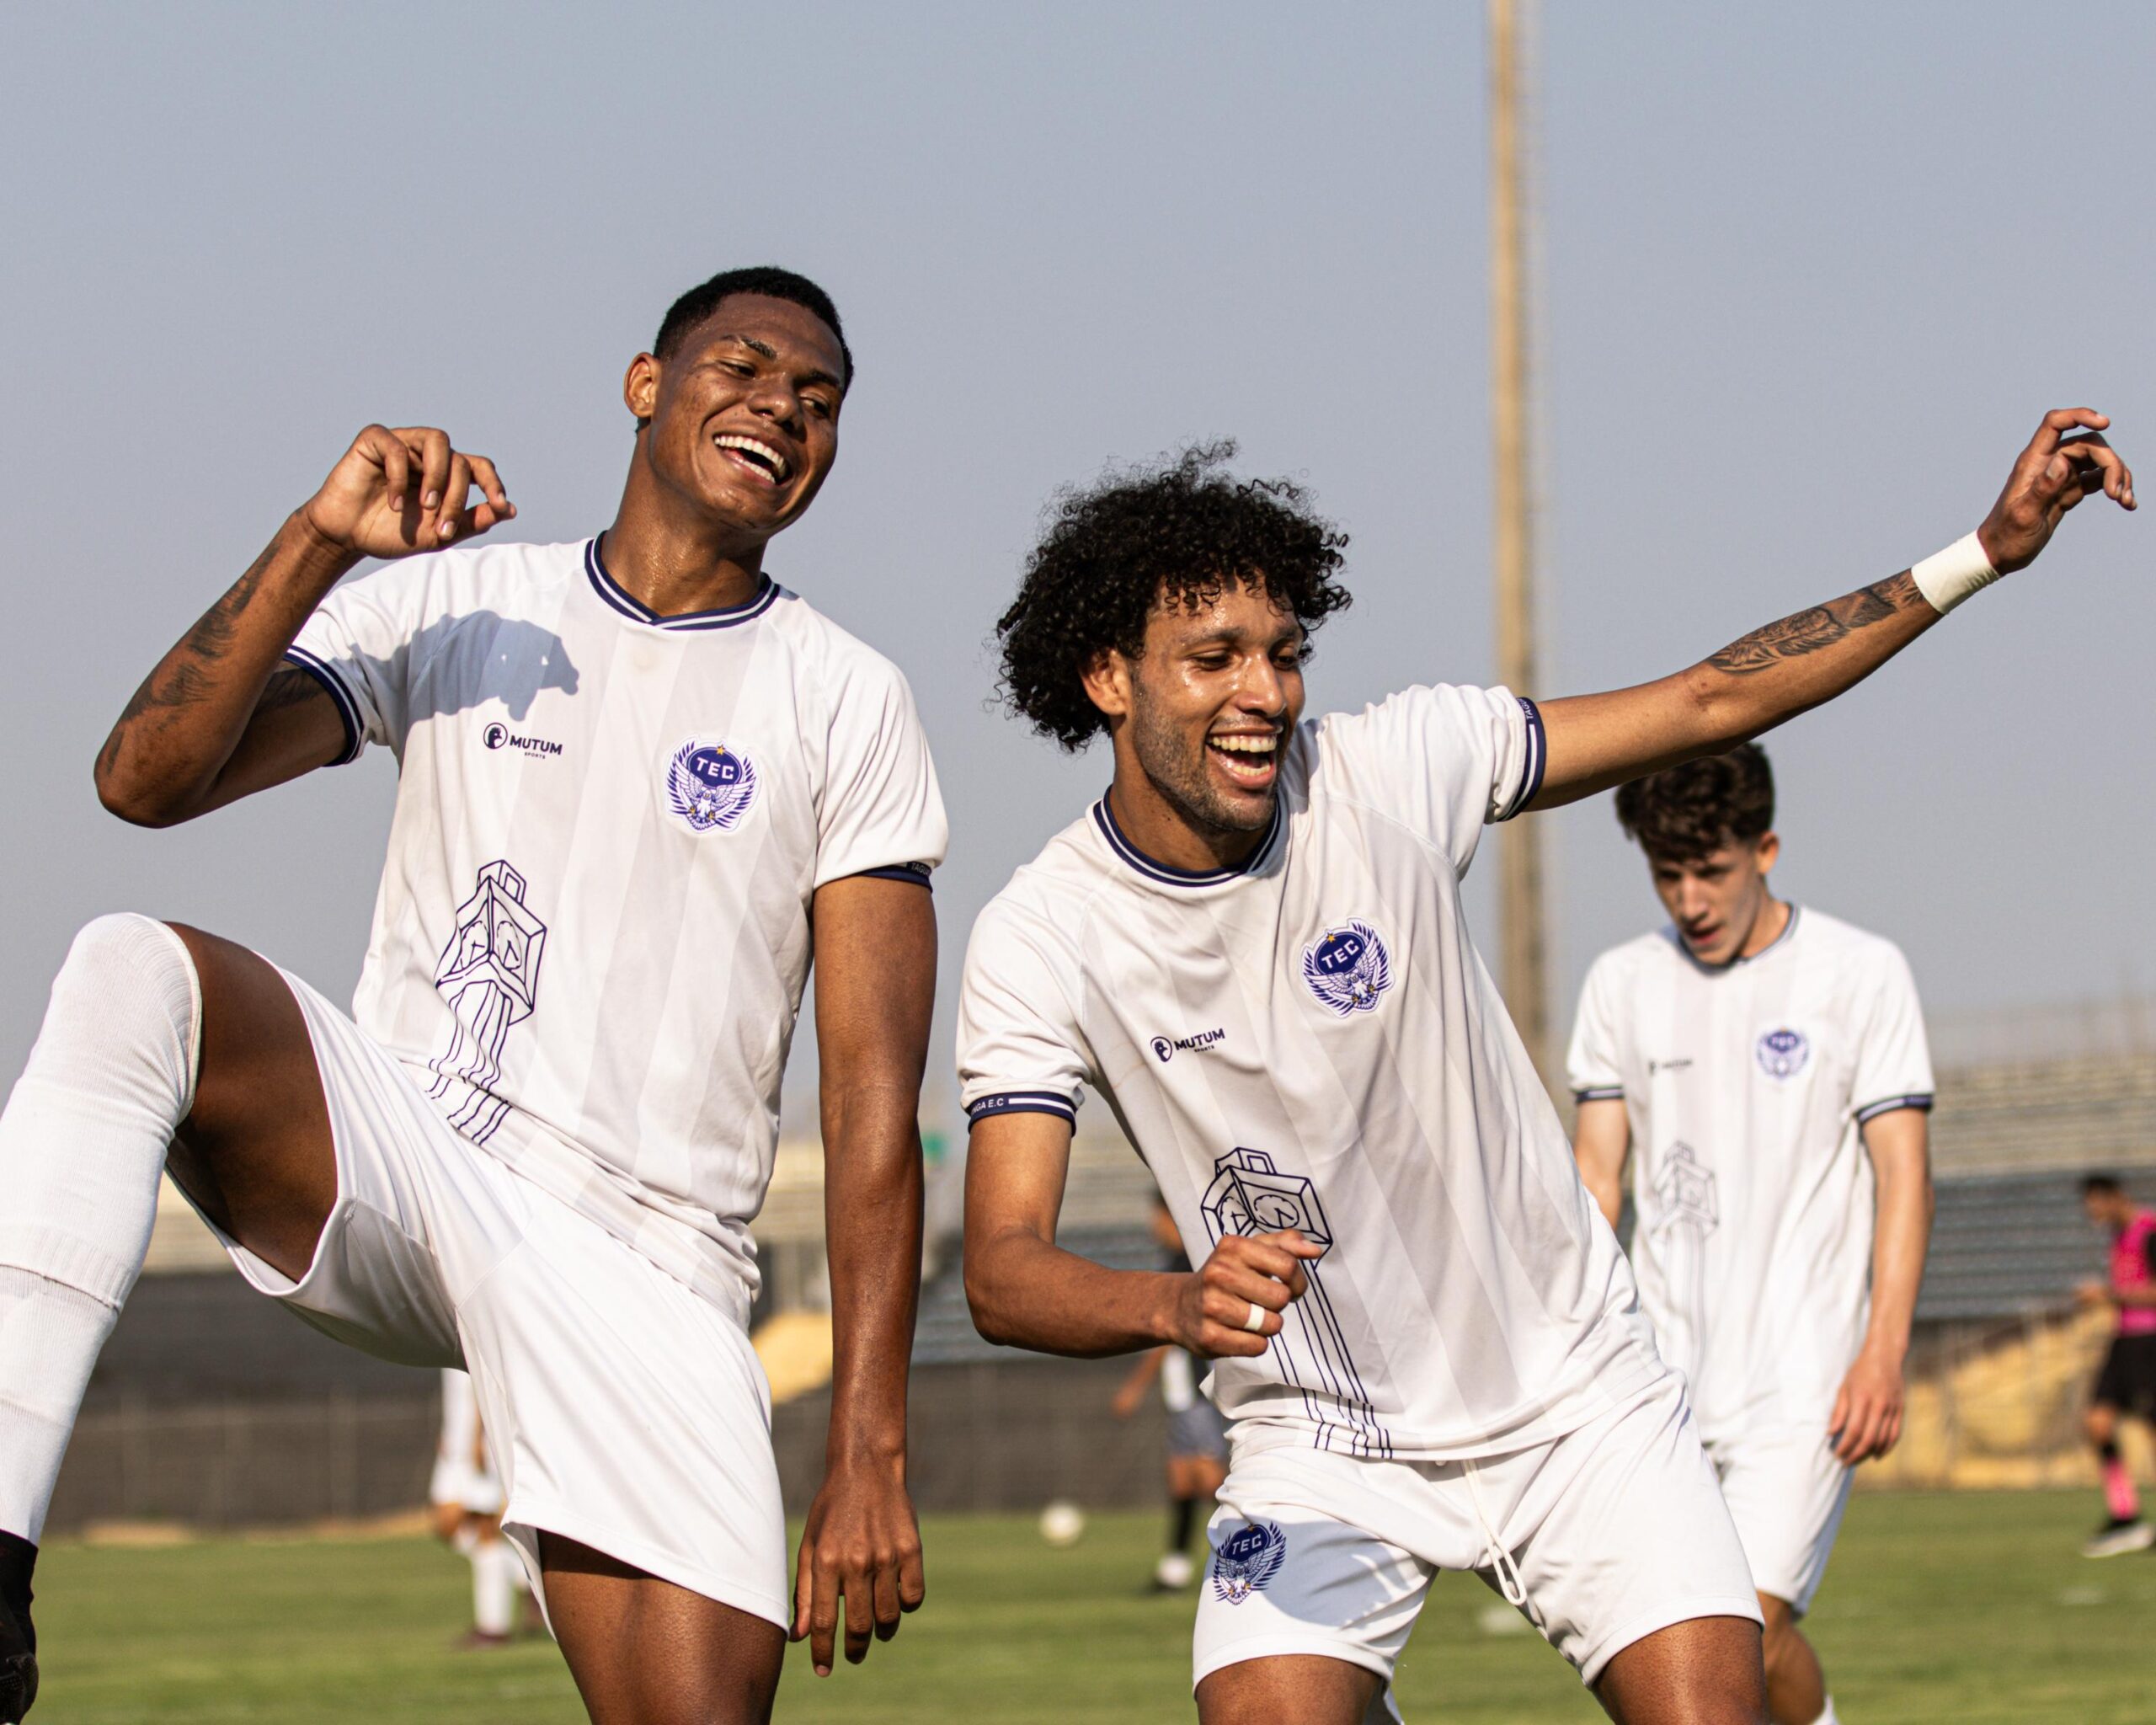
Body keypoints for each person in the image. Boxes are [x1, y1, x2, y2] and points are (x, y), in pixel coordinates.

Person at [957, 414, 2132, 1725]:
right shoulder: (1041, 934)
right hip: (1319, 1441)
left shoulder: (1396, 767)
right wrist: (1172, 1307)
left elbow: (1710, 699)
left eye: (1284, 654)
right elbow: (1004, 1268)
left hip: (1578, 1398)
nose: (1266, 693)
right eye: (1213, 658)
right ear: (1107, 677)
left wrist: (1980, 554)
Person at [0, 266, 945, 1724]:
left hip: (653, 1265)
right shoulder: (461, 598)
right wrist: (319, 541)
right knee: (133, 964)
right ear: (646, 383)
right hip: (416, 1163)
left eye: (819, 402)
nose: (781, 409)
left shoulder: (846, 696)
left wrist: (870, 1444)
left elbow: (873, 1094)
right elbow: (146, 780)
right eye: (745, 369)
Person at [1567, 741, 1933, 1725]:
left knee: (1746, 1626)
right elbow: (1596, 1180)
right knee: (1685, 1648)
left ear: (1764, 847)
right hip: (1660, 1378)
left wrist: (1883, 1351)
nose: (1689, 898)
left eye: (1711, 870)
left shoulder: (1860, 973)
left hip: (1804, 1378)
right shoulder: (1619, 983)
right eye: (1667, 873)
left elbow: (1903, 1173)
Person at [1112, 1198, 1231, 1590]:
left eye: (1157, 1218)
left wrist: (1134, 1386)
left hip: (1195, 1389)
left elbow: (1166, 1337)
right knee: (1181, 1478)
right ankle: (1176, 1568)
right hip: (1179, 1392)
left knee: (1211, 1477)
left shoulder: (1185, 1262)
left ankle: (1249, 1554)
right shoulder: (1172, 1259)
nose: (1154, 1226)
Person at [2074, 1173, 2156, 1557]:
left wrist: (2107, 1294)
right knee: (2097, 1422)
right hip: (2123, 1340)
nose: (2093, 1212)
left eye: (2095, 1203)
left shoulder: (2149, 1231)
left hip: (2149, 1340)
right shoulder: (2117, 1237)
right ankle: (2125, 1515)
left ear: (2115, 1197)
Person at [429, 1368, 533, 1647]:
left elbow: (483, 1384)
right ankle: (527, 1582)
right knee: (449, 1528)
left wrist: (477, 1437)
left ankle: (493, 1627)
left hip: (473, 1449)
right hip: (455, 1447)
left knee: (485, 1531)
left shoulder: (475, 1328)